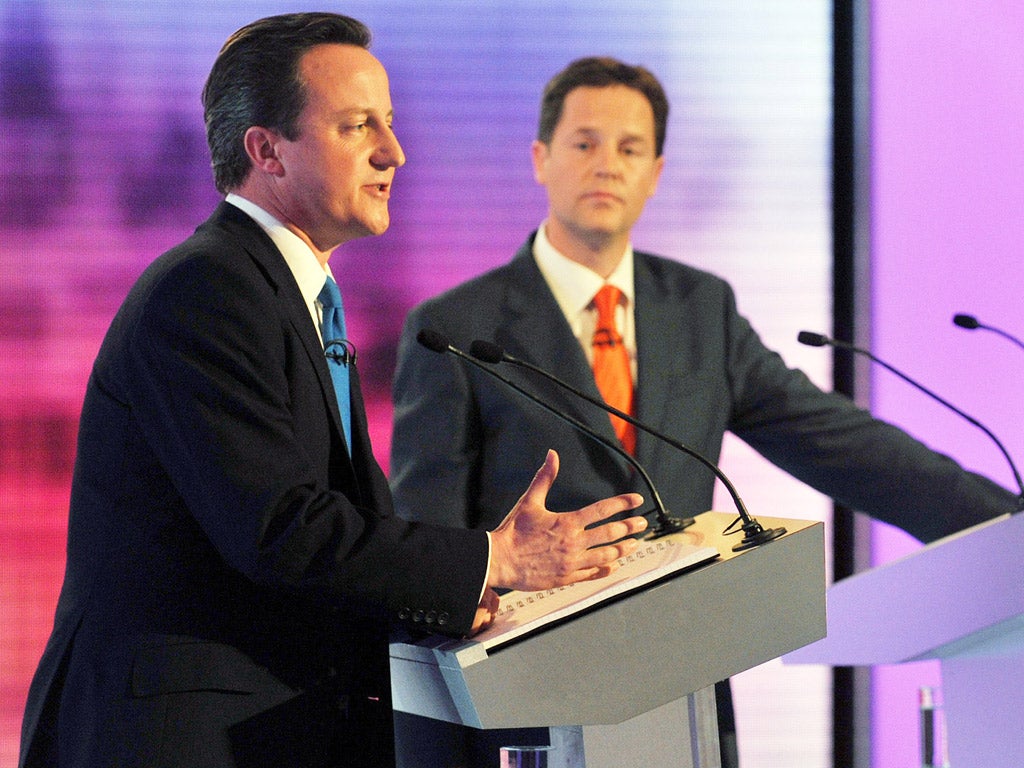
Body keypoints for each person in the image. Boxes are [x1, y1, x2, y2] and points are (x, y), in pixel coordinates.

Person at [17, 21, 650, 768]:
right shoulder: (208, 290)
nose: (394, 151)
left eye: (390, 122)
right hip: (184, 737)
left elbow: (338, 524)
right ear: (267, 150)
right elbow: (283, 530)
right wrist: (494, 560)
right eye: (357, 126)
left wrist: (464, 597)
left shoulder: (286, 294)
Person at [389, 56, 1017, 767]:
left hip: (678, 692)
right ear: (541, 158)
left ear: (655, 172)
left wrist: (1006, 527)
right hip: (525, 708)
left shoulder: (699, 308)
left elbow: (841, 443)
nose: (607, 165)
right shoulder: (454, 325)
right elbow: (423, 539)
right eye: (584, 143)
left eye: (630, 149)